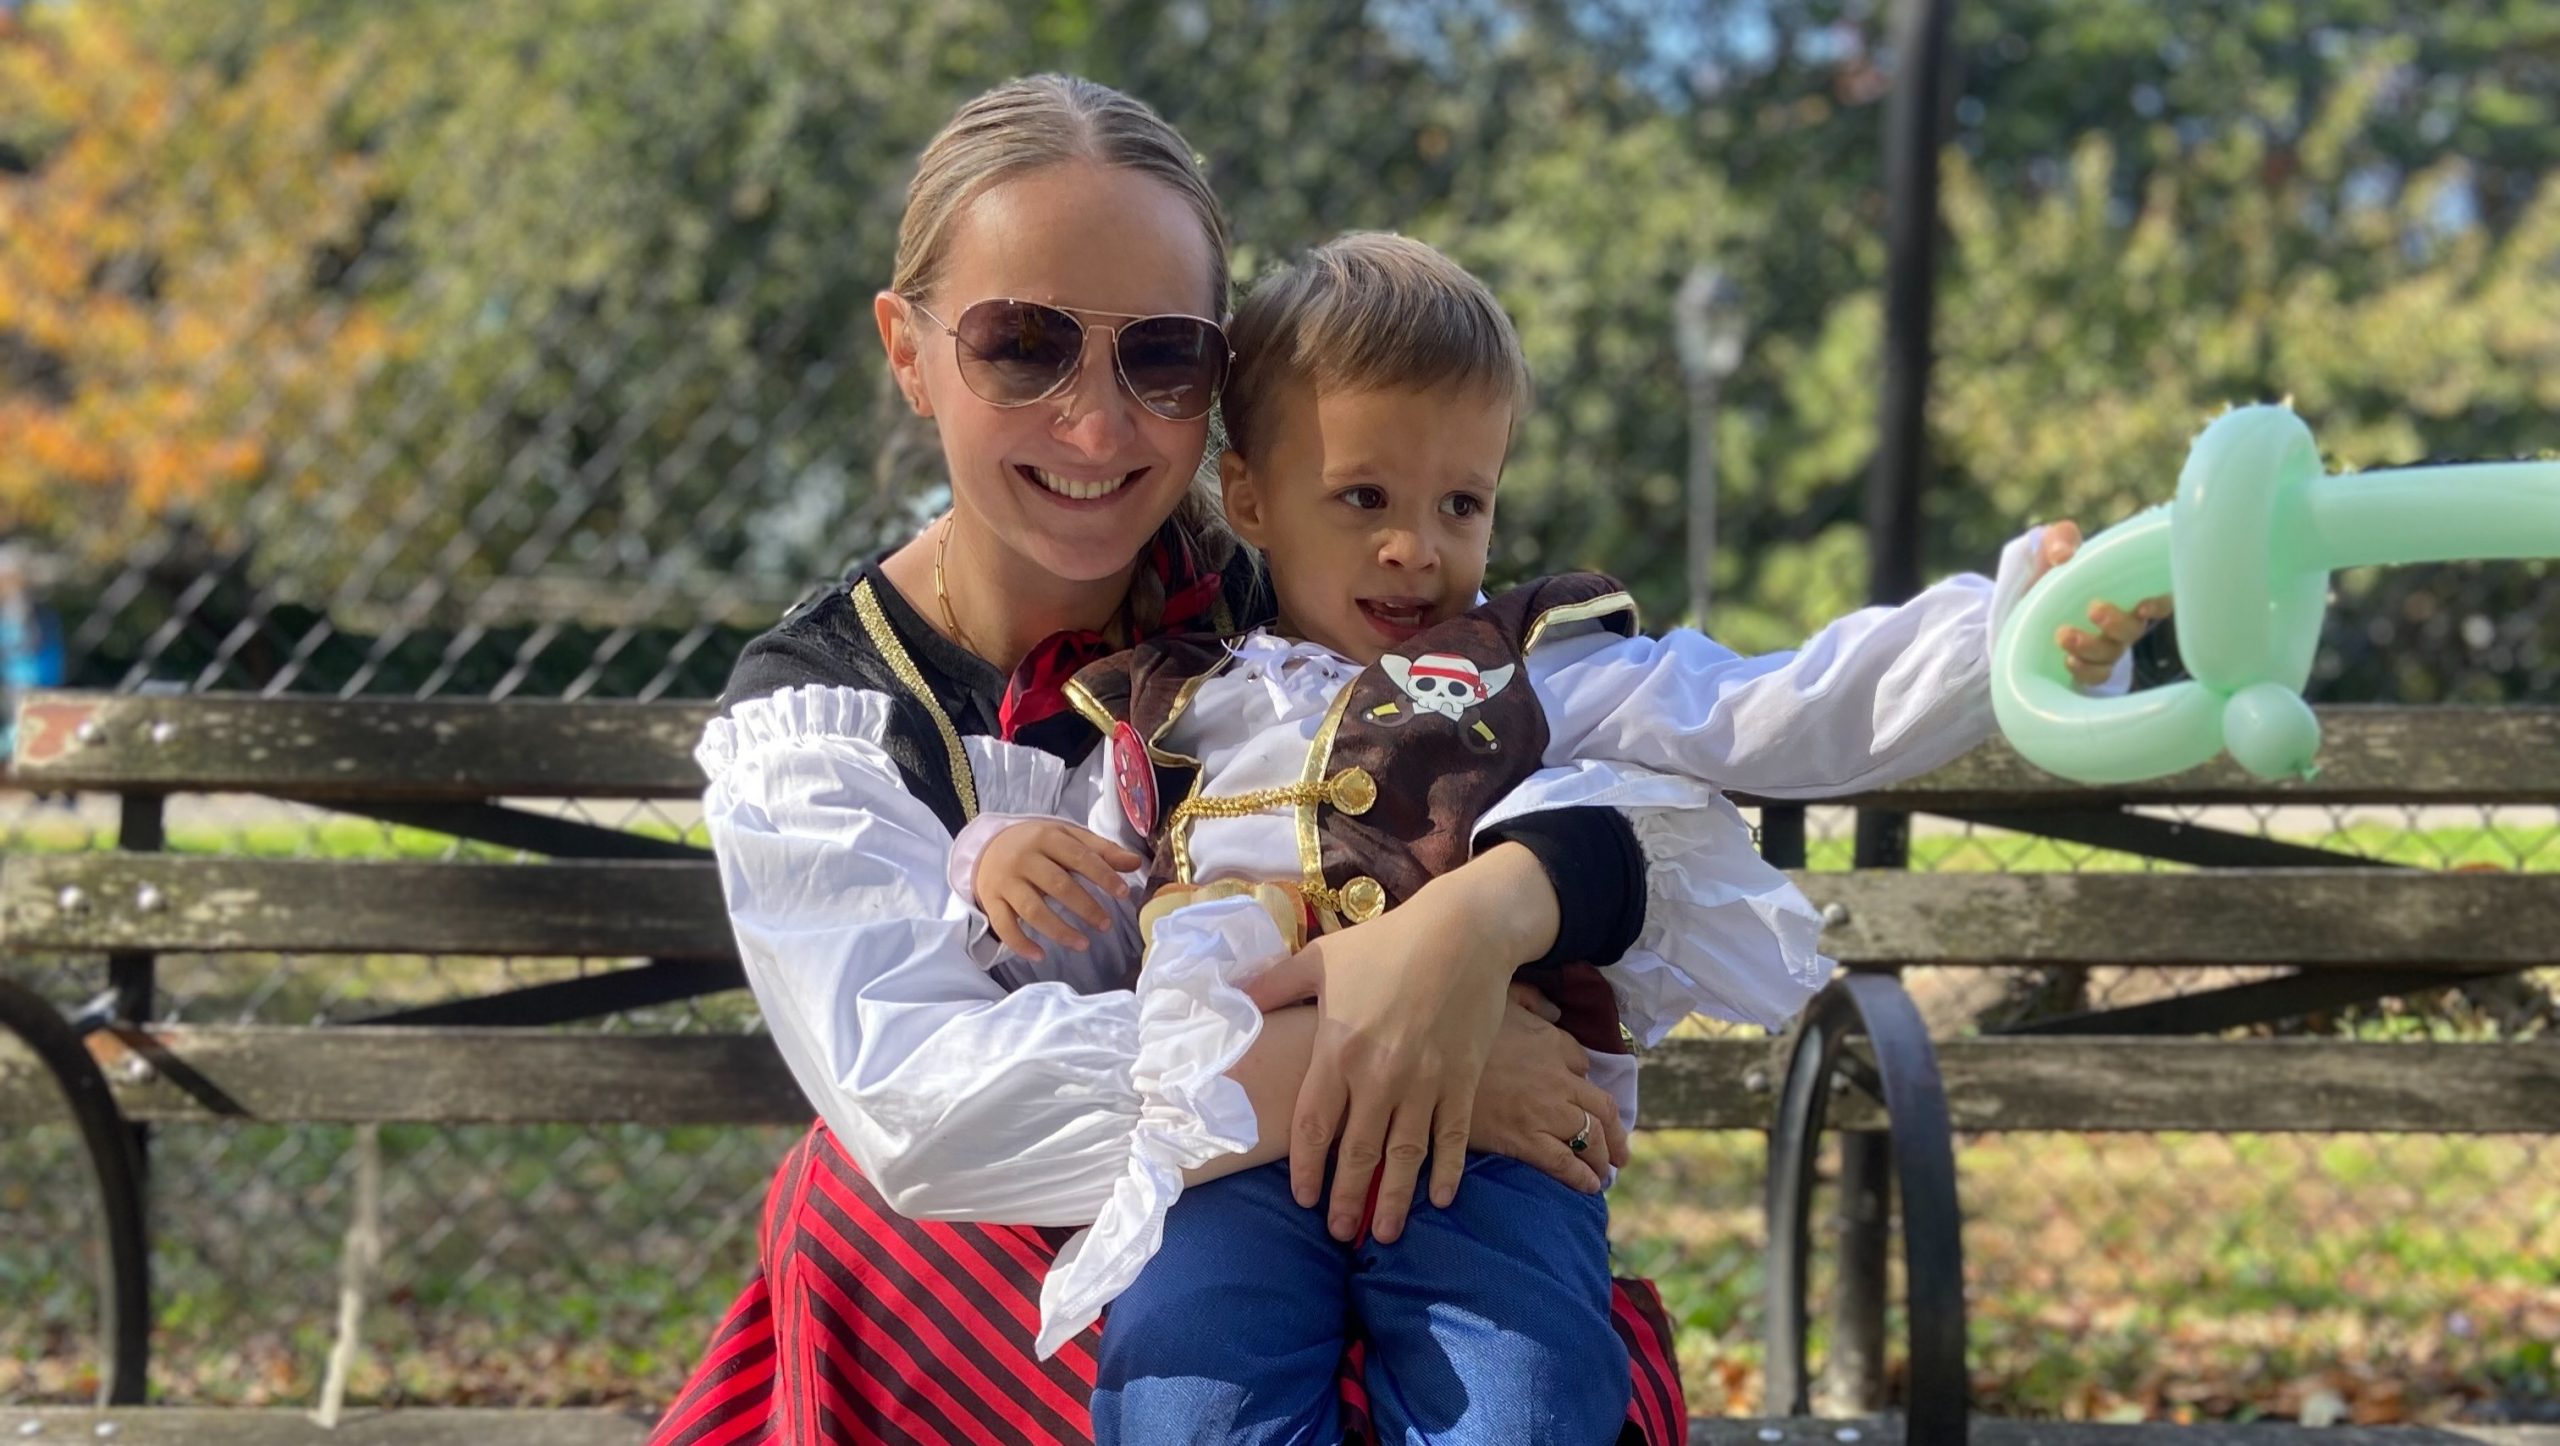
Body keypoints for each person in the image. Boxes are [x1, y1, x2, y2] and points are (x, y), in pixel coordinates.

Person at [957, 233, 2126, 1443]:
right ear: (1249, 496)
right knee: (1181, 1393)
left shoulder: (1530, 671)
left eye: (1460, 503)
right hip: (1238, 1158)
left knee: (1522, 1402)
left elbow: (1775, 705)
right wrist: (990, 858)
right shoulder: (1170, 708)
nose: (1416, 545)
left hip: (1487, 1147)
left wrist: (2007, 633)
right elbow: (1081, 924)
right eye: (1363, 499)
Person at [0, 541, 66, 765]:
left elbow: (41, 645)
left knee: (32, 721)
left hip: (35, 676)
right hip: (13, 679)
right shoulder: (10, 610)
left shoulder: (38, 612)